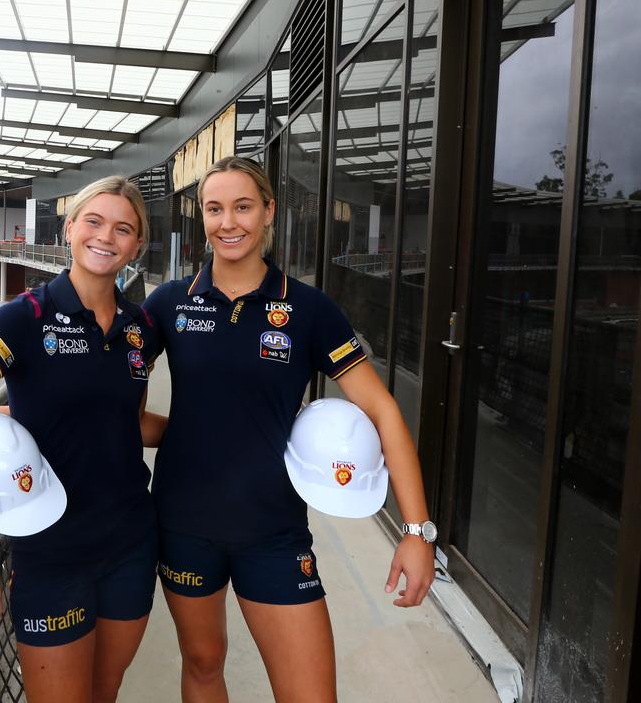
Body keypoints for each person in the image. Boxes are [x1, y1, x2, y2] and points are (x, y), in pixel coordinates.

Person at [140, 156, 436, 702]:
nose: (228, 222)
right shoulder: (168, 304)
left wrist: (417, 532)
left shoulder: (307, 309)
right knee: (203, 666)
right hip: (182, 525)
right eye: (214, 208)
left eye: (243, 207)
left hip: (273, 532)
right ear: (200, 217)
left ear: (269, 212)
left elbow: (383, 411)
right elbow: (106, 396)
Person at [0, 176, 161, 703]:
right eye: (93, 221)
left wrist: (212, 431)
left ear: (137, 245)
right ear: (69, 228)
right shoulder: (24, 318)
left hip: (131, 544)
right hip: (51, 554)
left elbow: (125, 423)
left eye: (123, 229)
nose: (105, 237)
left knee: (104, 694)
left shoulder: (141, 329)